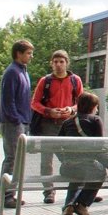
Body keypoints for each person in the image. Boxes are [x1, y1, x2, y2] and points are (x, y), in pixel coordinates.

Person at [29, 49, 83, 204]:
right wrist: (48, 111)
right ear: (51, 64)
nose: (58, 65)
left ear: (67, 63)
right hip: (48, 124)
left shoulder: (75, 80)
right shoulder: (45, 81)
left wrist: (71, 109)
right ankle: (49, 191)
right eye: (55, 62)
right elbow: (34, 103)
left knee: (72, 158)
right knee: (46, 160)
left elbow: (81, 102)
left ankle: (79, 189)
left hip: (68, 124)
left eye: (61, 62)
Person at [0, 40, 34, 208]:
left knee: (17, 160)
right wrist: (16, 120)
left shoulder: (23, 71)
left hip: (22, 121)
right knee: (12, 159)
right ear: (18, 53)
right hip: (13, 123)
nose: (31, 56)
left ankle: (9, 194)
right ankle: (4, 196)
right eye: (28, 53)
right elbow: (8, 100)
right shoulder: (12, 72)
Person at [60, 92, 106, 215]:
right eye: (96, 107)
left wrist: (64, 160)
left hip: (67, 167)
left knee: (77, 176)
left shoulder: (67, 122)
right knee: (100, 172)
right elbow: (100, 144)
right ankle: (82, 204)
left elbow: (57, 144)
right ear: (93, 107)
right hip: (87, 166)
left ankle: (69, 205)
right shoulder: (95, 120)